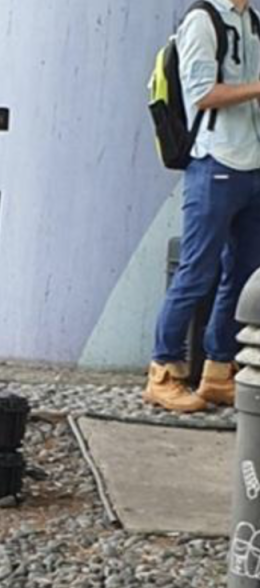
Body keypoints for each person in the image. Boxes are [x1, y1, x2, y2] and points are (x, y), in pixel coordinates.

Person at [144, 0, 260, 413]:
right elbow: (203, 95)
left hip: (252, 164)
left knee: (244, 275)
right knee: (196, 271)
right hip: (214, 163)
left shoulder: (250, 20)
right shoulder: (202, 20)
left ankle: (218, 370)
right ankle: (163, 370)